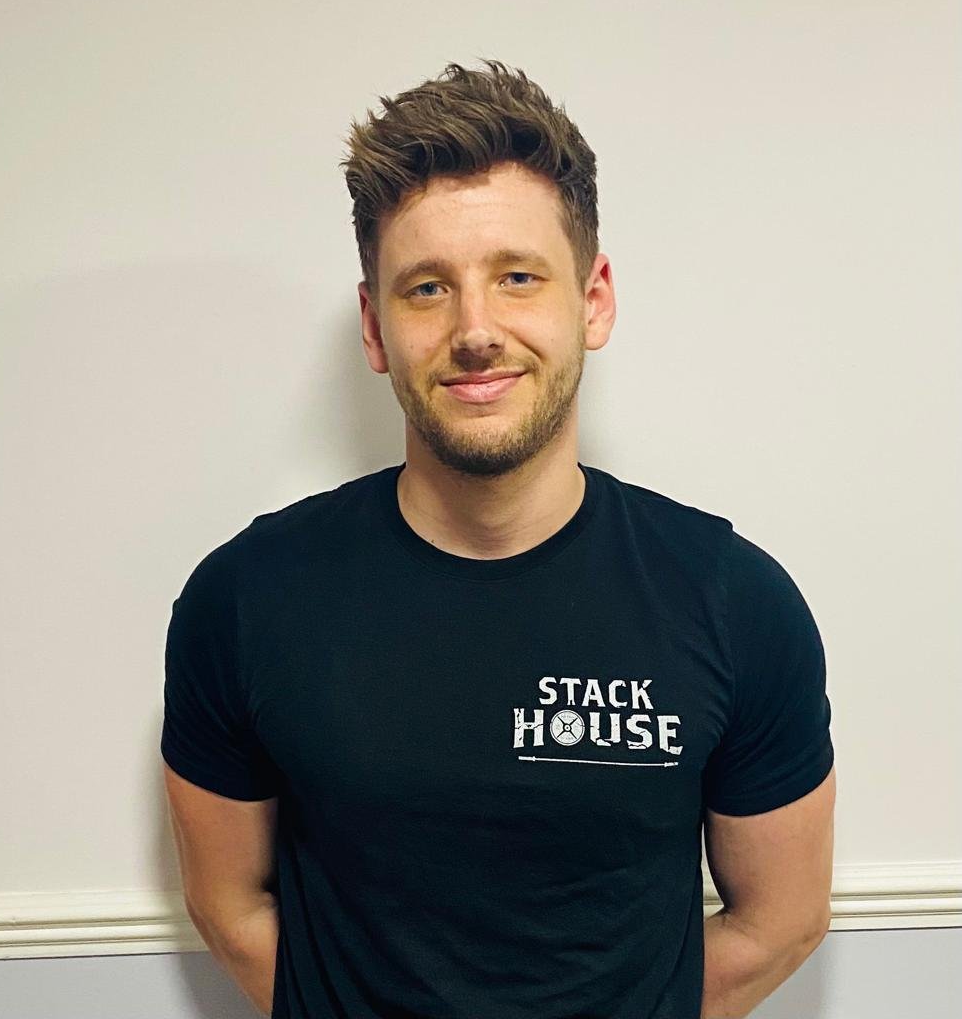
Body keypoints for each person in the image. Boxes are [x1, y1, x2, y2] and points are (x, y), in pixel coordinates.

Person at [161, 59, 836, 1019]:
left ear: (592, 299)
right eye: (427, 288)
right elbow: (229, 907)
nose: (476, 330)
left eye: (517, 277)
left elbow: (782, 921)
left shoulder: (735, 600)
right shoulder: (244, 598)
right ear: (374, 326)